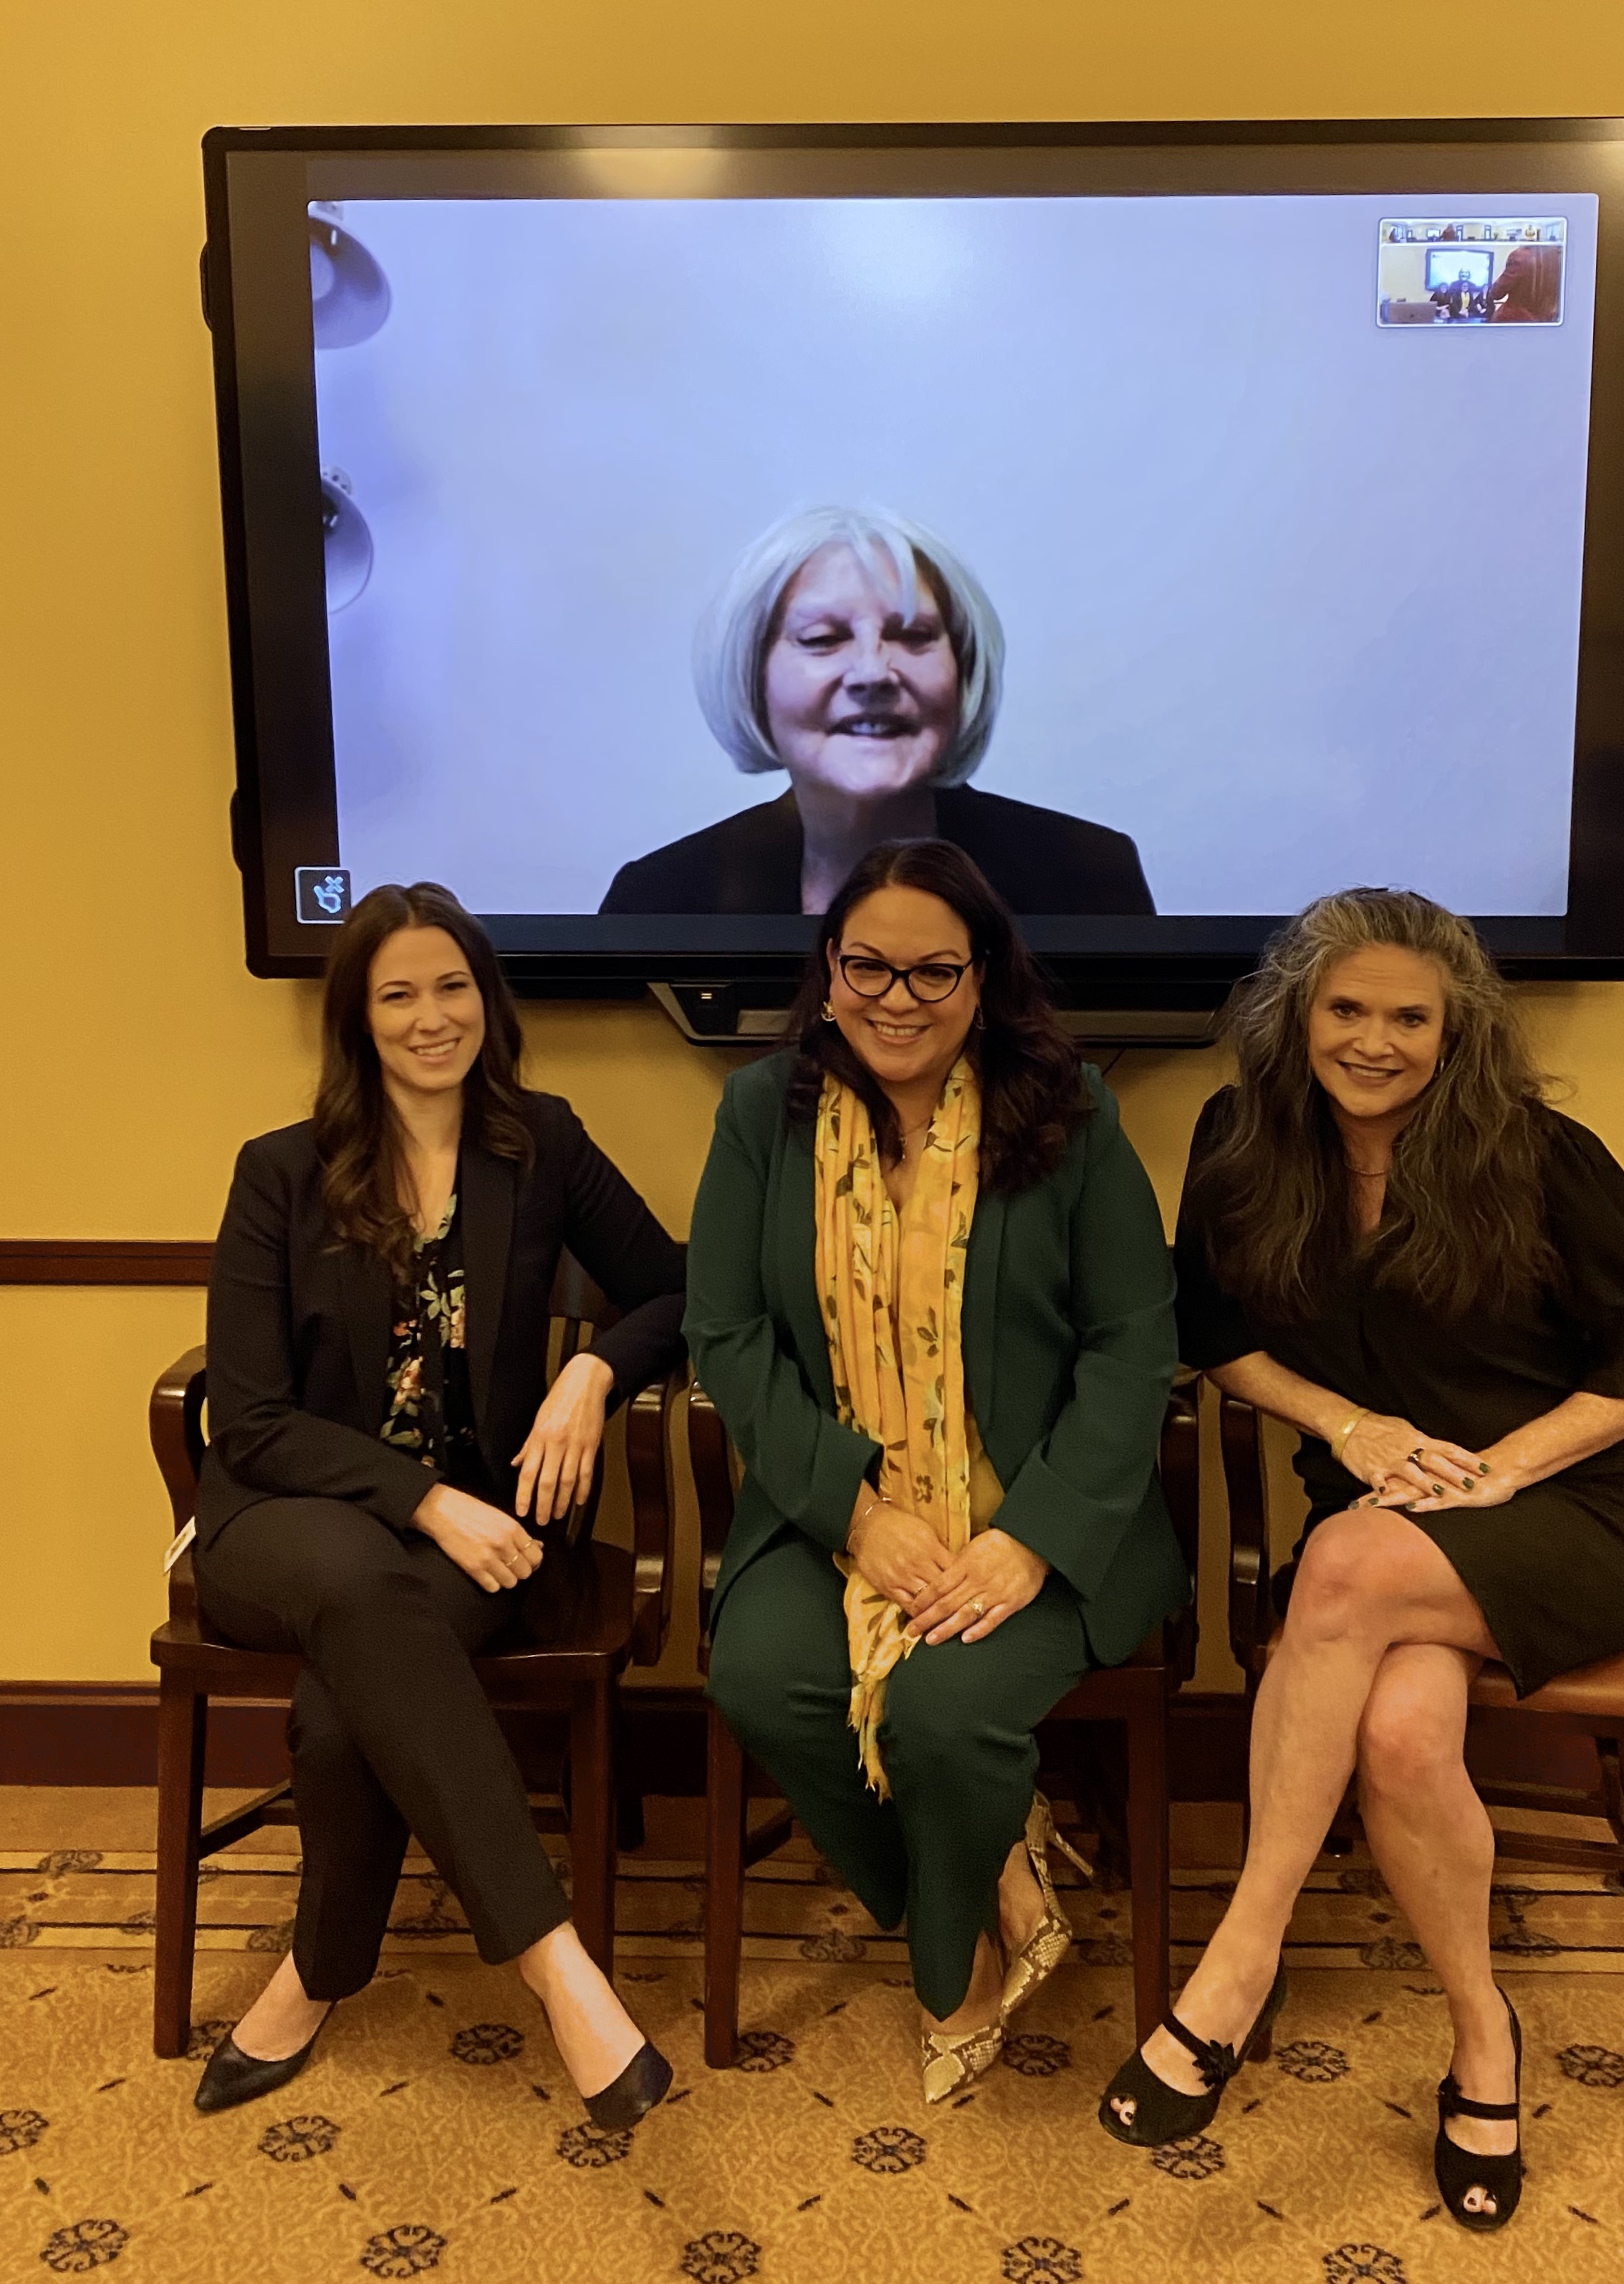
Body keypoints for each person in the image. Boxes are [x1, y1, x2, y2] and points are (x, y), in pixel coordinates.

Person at [1098, 888, 1624, 2232]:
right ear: (1294, 1016)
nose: (1372, 1039)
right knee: (1394, 1728)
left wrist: (1502, 1467)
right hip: (1394, 1516)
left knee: (1338, 1567)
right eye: (1345, 1008)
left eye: (1407, 1016)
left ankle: (1238, 1958)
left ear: (1455, 1032)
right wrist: (1349, 1423)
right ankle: (1482, 2032)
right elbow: (1213, 1333)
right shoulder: (1240, 1141)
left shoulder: (1540, 1153)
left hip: (1572, 1514)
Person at [686, 838, 1187, 2101]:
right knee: (760, 1677)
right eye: (867, 966)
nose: (894, 999)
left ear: (981, 977)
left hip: (1039, 1518)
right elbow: (728, 1338)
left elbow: (1134, 1344)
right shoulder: (763, 1112)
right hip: (827, 1508)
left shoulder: (1070, 1111)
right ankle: (970, 1907)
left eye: (931, 971)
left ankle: (937, 1963)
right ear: (827, 967)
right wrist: (854, 1516)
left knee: (945, 1715)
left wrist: (1028, 1537)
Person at [190, 882, 688, 2130]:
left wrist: (594, 1367)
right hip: (282, 1520)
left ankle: (317, 1968)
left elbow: (679, 1291)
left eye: (452, 985)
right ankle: (557, 1967)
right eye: (398, 992)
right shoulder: (280, 1173)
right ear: (357, 1018)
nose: (431, 1016)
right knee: (361, 1585)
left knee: (340, 1709)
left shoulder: (542, 1141)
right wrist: (421, 1501)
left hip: (479, 1534)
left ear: (488, 997)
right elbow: (250, 1418)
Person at [599, 507, 1155, 918]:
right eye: (821, 639)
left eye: (913, 636)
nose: (873, 672)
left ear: (963, 669)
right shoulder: (659, 899)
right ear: (751, 676)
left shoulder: (1087, 876)